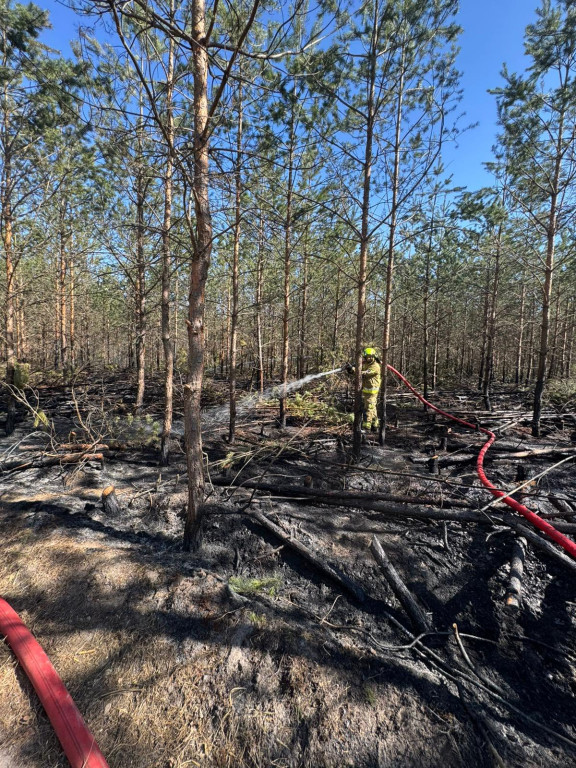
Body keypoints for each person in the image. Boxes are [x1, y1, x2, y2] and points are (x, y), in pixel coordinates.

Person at [346, 347, 382, 431]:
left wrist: (353, 370)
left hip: (372, 391)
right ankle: (375, 424)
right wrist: (351, 369)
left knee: (368, 408)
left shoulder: (375, 366)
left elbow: (363, 374)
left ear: (373, 356)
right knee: (372, 407)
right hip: (367, 390)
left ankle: (367, 427)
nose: (367, 358)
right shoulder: (366, 364)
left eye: (369, 357)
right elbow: (359, 370)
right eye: (366, 357)